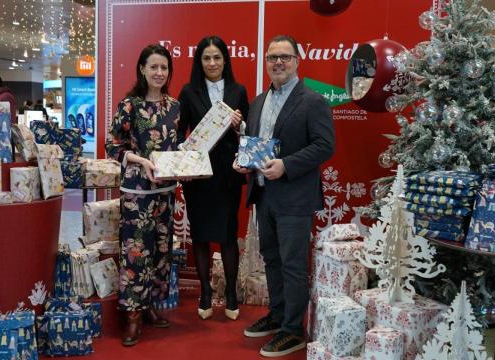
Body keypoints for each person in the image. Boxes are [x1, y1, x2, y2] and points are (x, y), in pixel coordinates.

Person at [233, 35, 334, 357]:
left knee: (292, 265)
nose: (278, 62)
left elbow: (324, 145)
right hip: (263, 195)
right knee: (272, 260)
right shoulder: (259, 102)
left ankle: (293, 330)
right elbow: (254, 142)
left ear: (297, 61)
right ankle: (277, 316)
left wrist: (286, 165)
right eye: (272, 57)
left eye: (285, 57)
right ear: (266, 62)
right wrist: (243, 162)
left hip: (294, 196)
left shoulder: (313, 100)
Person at [105, 44, 180, 347]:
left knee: (161, 251)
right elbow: (112, 145)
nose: (159, 73)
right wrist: (140, 160)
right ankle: (132, 316)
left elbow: (178, 145)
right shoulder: (130, 105)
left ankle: (149, 305)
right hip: (137, 192)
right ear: (142, 69)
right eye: (154, 67)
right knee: (137, 252)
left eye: (164, 68)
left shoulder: (174, 106)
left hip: (166, 190)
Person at [177, 36, 248, 321]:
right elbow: (180, 130)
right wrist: (183, 153)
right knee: (202, 237)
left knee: (229, 236)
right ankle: (205, 293)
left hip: (228, 175)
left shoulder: (238, 90)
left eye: (217, 57)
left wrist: (239, 124)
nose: (212, 63)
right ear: (200, 62)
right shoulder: (188, 91)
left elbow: (248, 130)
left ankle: (230, 294)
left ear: (225, 60)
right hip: (199, 176)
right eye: (206, 58)